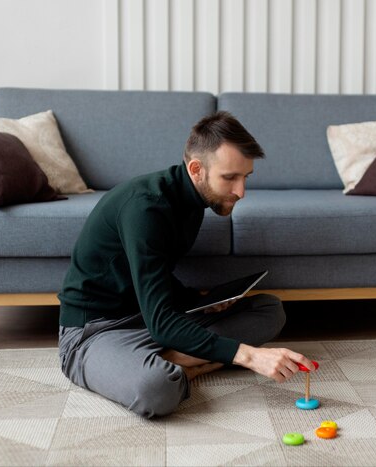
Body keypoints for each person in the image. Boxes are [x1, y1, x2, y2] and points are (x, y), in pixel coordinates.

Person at [58, 111, 315, 418]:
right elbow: (161, 320)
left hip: (151, 316)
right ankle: (175, 364)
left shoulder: (193, 202)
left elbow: (153, 276)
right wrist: (249, 356)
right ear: (196, 169)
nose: (241, 191)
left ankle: (174, 357)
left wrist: (200, 301)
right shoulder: (145, 207)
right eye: (230, 177)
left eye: (245, 177)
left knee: (268, 310)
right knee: (157, 389)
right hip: (96, 332)